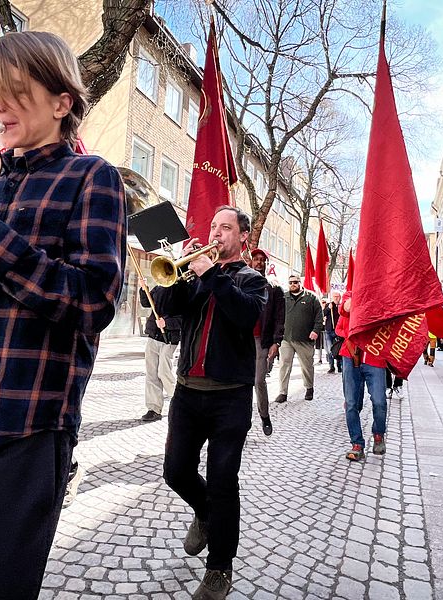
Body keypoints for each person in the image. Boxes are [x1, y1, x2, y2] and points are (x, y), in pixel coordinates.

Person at [0, 32, 126, 599]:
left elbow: (92, 301)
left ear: (62, 101)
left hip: (25, 427)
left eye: (14, 92)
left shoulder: (94, 178)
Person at [162, 206, 266, 600]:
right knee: (175, 472)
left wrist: (213, 274)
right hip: (188, 391)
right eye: (212, 227)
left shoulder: (253, 281)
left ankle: (220, 568)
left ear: (242, 236)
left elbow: (244, 316)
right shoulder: (196, 276)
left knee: (224, 481)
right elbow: (168, 305)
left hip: (229, 399)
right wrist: (174, 268)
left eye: (225, 228)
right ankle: (205, 514)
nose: (216, 233)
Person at [337, 292, 387, 461]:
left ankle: (379, 434)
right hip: (351, 355)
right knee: (351, 403)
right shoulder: (351, 292)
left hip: (375, 354)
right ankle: (357, 443)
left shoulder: (383, 292)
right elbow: (345, 308)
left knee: (379, 401)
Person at [249, 248, 284, 436]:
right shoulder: (242, 281)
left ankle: (264, 416)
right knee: (241, 382)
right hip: (242, 340)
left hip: (261, 340)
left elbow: (280, 317)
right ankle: (242, 421)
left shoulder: (274, 287)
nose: (259, 262)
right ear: (251, 261)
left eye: (262, 260)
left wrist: (276, 342)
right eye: (256, 259)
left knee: (258, 380)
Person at [275, 275, 323, 403]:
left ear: (300, 283)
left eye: (295, 282)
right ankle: (283, 392)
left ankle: (309, 388)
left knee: (307, 366)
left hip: (305, 339)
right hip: (286, 338)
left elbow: (319, 316)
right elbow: (277, 315)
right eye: (290, 282)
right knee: (284, 365)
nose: (293, 284)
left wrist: (315, 330)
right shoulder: (284, 297)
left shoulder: (311, 297)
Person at [139, 282, 182, 421]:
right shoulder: (158, 287)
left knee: (164, 372)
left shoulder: (182, 288)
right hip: (154, 335)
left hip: (170, 339)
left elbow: (185, 318)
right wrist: (143, 289)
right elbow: (147, 303)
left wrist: (167, 323)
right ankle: (153, 408)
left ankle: (179, 402)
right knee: (151, 374)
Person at [323, 290, 343, 373]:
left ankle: (339, 366)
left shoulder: (342, 306)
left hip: (338, 330)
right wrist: (328, 308)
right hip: (329, 330)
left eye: (338, 296)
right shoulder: (329, 305)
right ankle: (331, 367)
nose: (336, 298)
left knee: (339, 349)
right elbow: (323, 314)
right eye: (335, 297)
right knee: (330, 350)